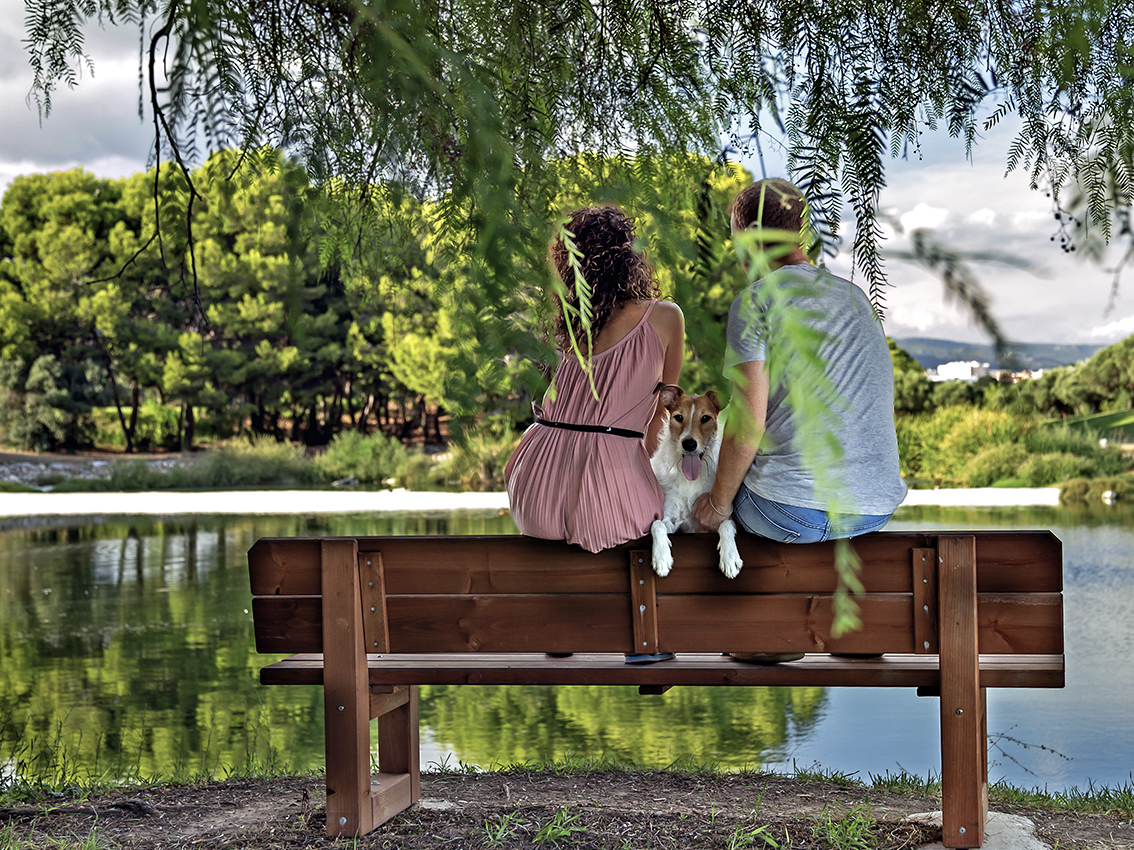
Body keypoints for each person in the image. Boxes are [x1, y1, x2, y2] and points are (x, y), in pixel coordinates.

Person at [692, 178, 907, 546]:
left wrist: (717, 504)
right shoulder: (856, 297)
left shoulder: (757, 300)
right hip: (874, 509)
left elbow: (747, 426)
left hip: (790, 511)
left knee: (703, 498)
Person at [506, 204, 685, 556]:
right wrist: (625, 471)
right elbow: (661, 420)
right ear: (630, 258)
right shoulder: (664, 318)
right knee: (668, 520)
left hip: (533, 486)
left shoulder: (560, 324)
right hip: (607, 496)